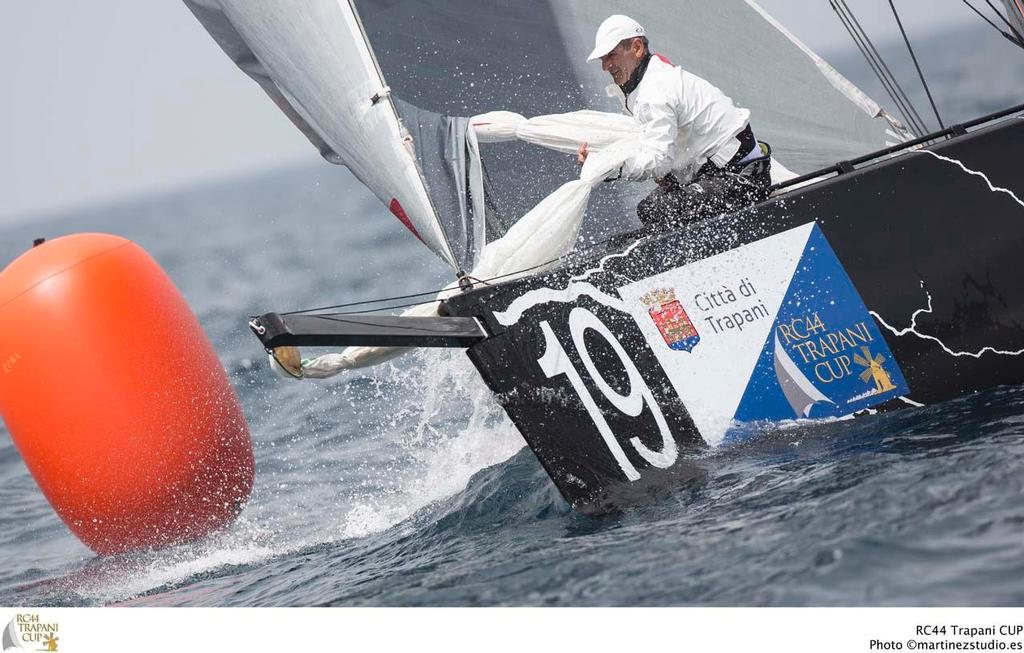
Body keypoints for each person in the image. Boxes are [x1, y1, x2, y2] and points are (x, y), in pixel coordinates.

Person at [577, 15, 772, 228]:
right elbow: (654, 147)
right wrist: (603, 159)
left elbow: (658, 161)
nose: (606, 66)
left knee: (664, 210)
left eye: (611, 55)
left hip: (742, 176)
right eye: (602, 59)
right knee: (649, 209)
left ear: (637, 47)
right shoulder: (641, 85)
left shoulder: (657, 89)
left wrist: (610, 168)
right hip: (710, 172)